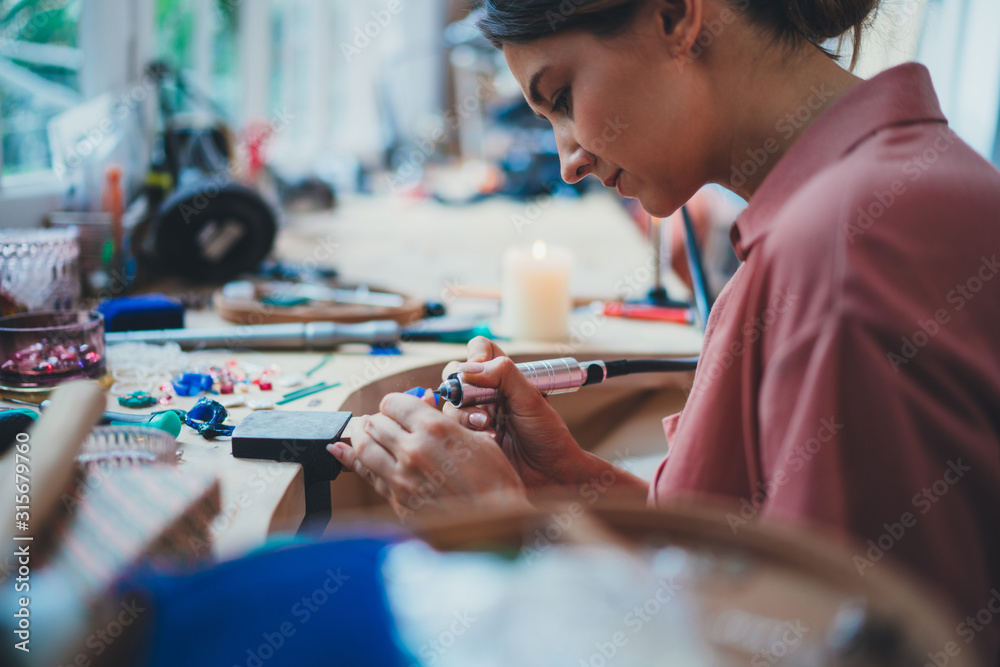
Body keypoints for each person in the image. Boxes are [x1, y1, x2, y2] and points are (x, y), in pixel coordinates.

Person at [328, 0, 1000, 663]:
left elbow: (814, 647)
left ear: (678, 15)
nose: (568, 161)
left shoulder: (838, 255)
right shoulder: (886, 191)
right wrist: (559, 482)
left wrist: (509, 526)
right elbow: (733, 559)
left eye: (562, 95)